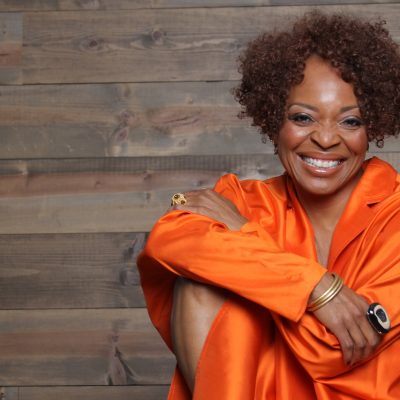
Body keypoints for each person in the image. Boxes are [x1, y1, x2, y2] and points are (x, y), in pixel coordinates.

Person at [137, 11, 400, 399]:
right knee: (199, 287)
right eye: (303, 117)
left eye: (350, 122)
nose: (326, 139)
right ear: (274, 119)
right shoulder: (244, 200)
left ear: (373, 126)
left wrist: (244, 236)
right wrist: (314, 286)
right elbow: (170, 239)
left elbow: (330, 350)